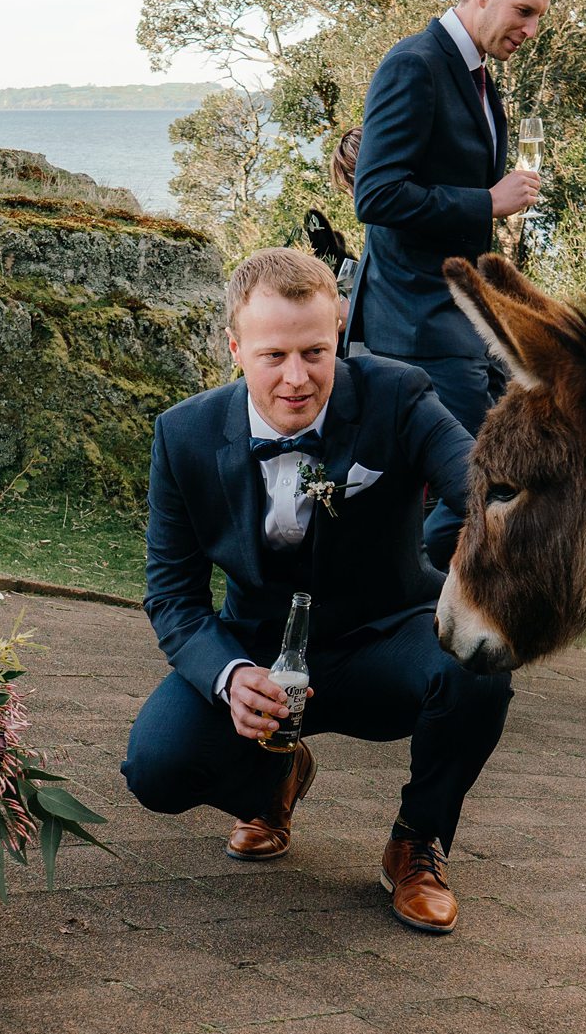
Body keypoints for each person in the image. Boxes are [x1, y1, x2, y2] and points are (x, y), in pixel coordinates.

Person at [121, 248, 513, 935]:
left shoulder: (398, 395)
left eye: (316, 351)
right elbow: (173, 597)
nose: (297, 378)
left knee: (479, 663)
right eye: (273, 356)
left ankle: (417, 841)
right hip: (258, 650)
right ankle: (274, 779)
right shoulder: (181, 435)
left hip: (383, 639)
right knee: (155, 765)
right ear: (236, 347)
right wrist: (229, 675)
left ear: (338, 333)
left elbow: (481, 485)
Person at [350, 0, 556, 564]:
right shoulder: (415, 64)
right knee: (485, 481)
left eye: (540, 18)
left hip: (463, 323)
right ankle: (415, 593)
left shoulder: (480, 79)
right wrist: (487, 202)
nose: (531, 28)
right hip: (414, 326)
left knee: (503, 469)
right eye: (525, 11)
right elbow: (376, 195)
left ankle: (402, 592)